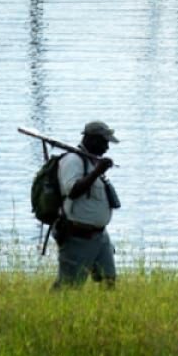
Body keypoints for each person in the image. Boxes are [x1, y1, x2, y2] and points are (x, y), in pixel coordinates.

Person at [53, 121, 120, 288]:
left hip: (100, 236)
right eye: (104, 142)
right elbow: (73, 190)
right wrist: (98, 171)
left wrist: (97, 169)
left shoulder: (92, 162)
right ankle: (55, 312)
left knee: (108, 281)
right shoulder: (72, 160)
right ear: (92, 139)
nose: (107, 147)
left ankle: (107, 313)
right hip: (78, 236)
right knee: (68, 286)